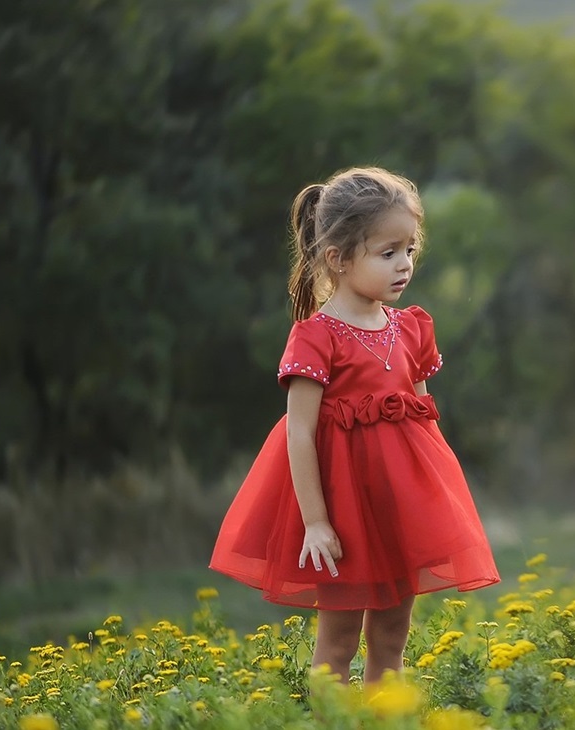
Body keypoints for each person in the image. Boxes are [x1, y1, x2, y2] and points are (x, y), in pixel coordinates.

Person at [210, 166, 500, 684]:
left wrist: (434, 504)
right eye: (387, 253)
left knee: (392, 637)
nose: (404, 264)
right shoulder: (316, 337)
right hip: (343, 515)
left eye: (409, 249)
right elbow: (298, 433)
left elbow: (424, 420)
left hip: (397, 510)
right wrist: (317, 521)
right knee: (338, 643)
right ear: (338, 259)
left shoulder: (411, 328)